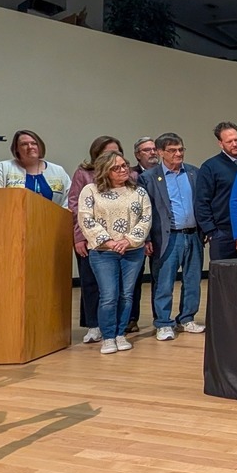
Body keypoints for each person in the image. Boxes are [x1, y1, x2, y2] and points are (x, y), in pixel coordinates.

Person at [77, 151, 151, 354]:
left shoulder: (138, 191)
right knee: (109, 295)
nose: (123, 169)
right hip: (103, 252)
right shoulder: (90, 191)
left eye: (124, 165)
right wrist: (109, 242)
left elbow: (145, 218)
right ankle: (108, 337)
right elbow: (86, 219)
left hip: (132, 251)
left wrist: (128, 240)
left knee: (126, 295)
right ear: (105, 171)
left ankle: (120, 334)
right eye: (116, 167)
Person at [138, 133, 205, 341]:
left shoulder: (194, 173)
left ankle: (186, 318)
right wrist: (147, 238)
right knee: (164, 282)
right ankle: (164, 323)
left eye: (181, 149)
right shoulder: (149, 177)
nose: (178, 154)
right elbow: (144, 211)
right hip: (166, 238)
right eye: (173, 150)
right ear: (160, 153)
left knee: (193, 280)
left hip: (193, 235)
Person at [70, 136, 126, 344]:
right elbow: (76, 208)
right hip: (89, 239)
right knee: (91, 282)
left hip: (119, 240)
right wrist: (78, 237)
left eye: (117, 153)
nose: (112, 157)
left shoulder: (125, 176)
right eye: (106, 153)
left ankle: (115, 326)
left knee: (117, 287)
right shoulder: (84, 174)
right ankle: (93, 326)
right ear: (96, 154)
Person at [195, 121, 237, 261]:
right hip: (223, 233)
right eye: (229, 141)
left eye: (236, 140)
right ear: (220, 143)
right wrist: (211, 231)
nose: (234, 144)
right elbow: (202, 202)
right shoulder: (210, 167)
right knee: (223, 278)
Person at [0, 129, 71, 207]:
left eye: (34, 143)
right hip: (12, 219)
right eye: (24, 144)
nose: (30, 147)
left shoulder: (58, 171)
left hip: (52, 220)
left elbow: (69, 201)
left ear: (40, 146)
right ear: (16, 149)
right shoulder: (3, 168)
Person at [128, 136, 159, 332]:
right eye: (147, 150)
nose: (152, 152)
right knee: (134, 279)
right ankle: (131, 319)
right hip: (138, 235)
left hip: (162, 232)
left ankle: (160, 318)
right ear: (138, 155)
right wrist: (144, 237)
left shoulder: (164, 173)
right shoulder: (130, 175)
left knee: (159, 278)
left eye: (154, 149)